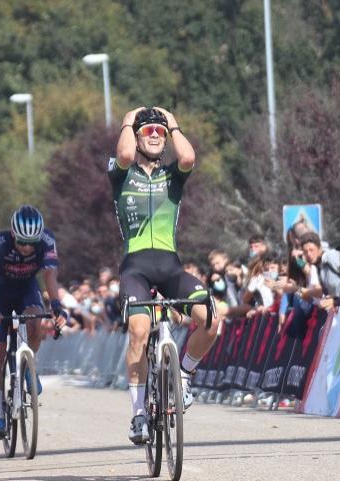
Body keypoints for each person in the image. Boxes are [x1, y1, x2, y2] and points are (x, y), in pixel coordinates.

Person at [111, 106, 220, 445]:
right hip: (135, 268)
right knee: (139, 331)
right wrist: (130, 121)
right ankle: (139, 413)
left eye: (160, 131)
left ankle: (184, 376)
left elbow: (188, 157)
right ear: (137, 136)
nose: (156, 135)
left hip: (171, 267)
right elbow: (126, 152)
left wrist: (171, 123)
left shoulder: (173, 175)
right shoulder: (120, 173)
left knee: (212, 319)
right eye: (150, 132)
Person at [0, 204, 67, 440]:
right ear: (12, 234)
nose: (28, 247)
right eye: (22, 242)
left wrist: (56, 304)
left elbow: (50, 274)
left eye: (32, 243)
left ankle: (29, 365)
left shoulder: (47, 240)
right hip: (0, 290)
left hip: (26, 288)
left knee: (35, 320)